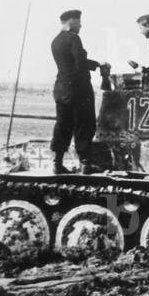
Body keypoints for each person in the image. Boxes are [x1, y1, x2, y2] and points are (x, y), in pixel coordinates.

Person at [50, 10, 107, 174]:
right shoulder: (73, 38)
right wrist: (98, 65)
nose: (81, 25)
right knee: (85, 124)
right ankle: (85, 163)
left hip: (61, 89)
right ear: (72, 21)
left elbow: (69, 63)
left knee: (63, 125)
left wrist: (95, 63)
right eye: (79, 21)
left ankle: (57, 163)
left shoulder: (56, 41)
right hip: (78, 90)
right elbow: (80, 63)